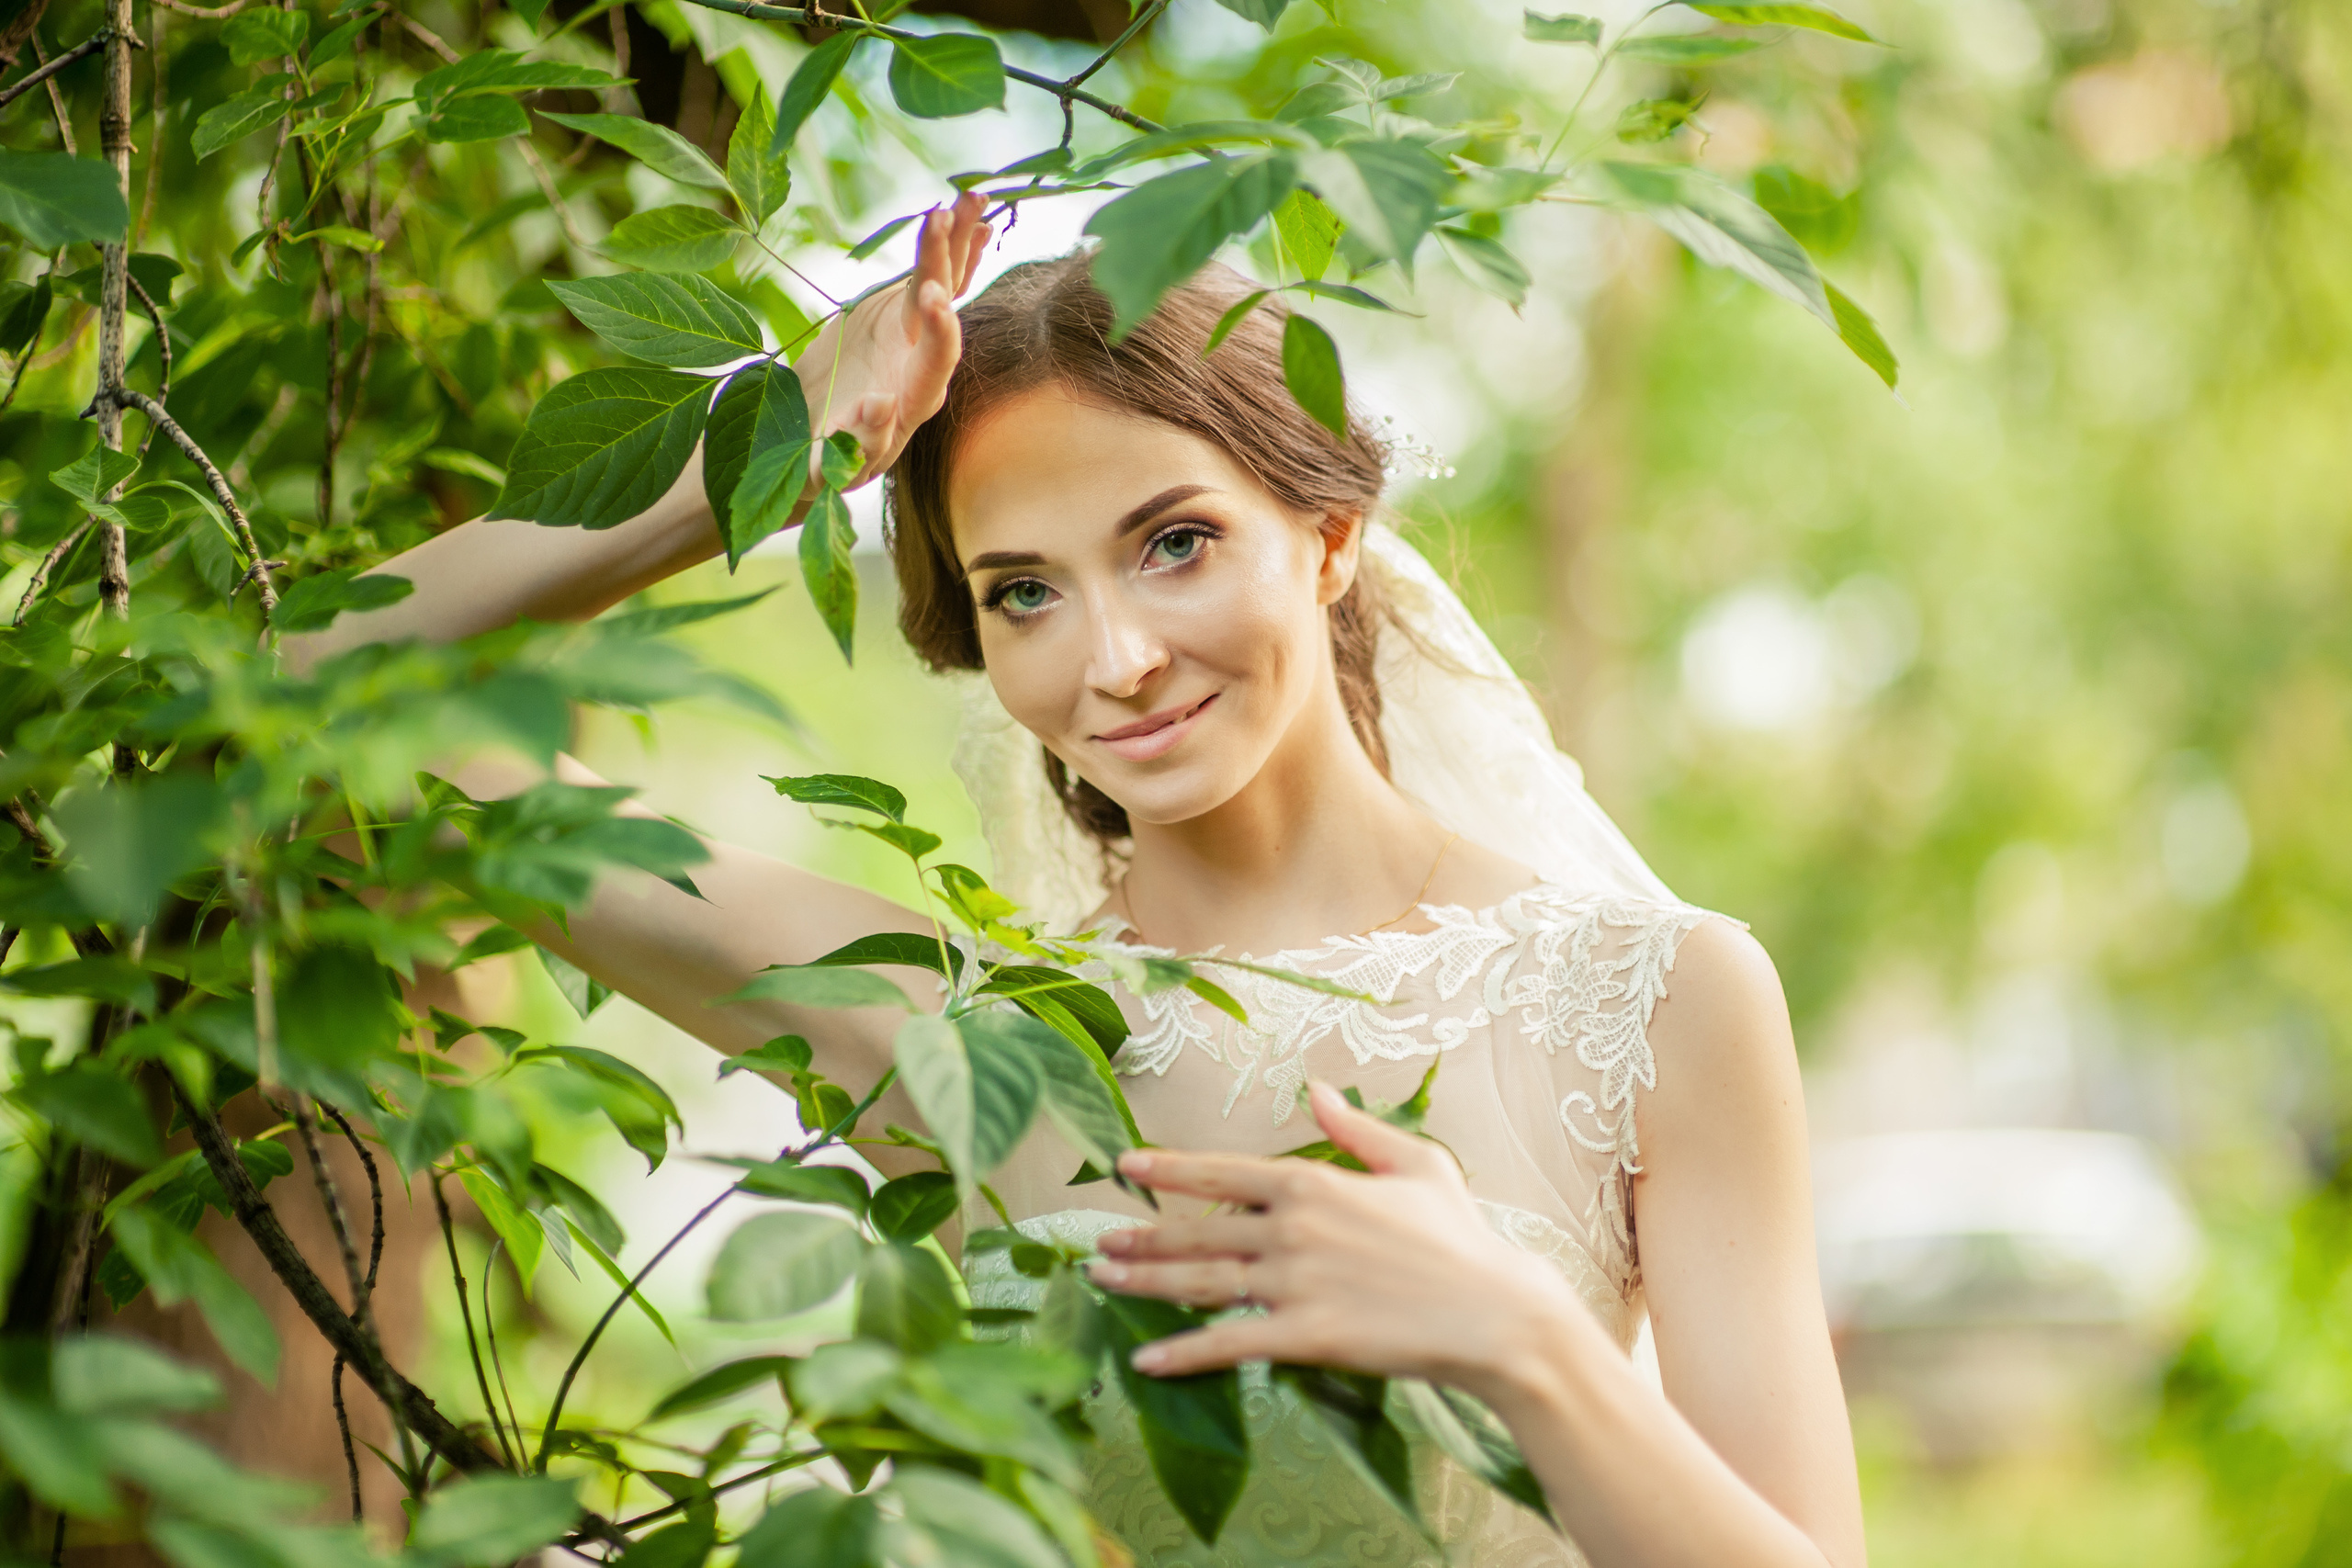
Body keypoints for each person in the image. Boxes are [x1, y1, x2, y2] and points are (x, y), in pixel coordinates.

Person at [295, 193, 1864, 1568]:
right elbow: (300, 683)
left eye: (1174, 542)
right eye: (1024, 592)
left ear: (1326, 540)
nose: (1114, 660)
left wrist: (1530, 1346)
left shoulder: (1657, 999)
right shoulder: (956, 1028)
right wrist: (770, 441)